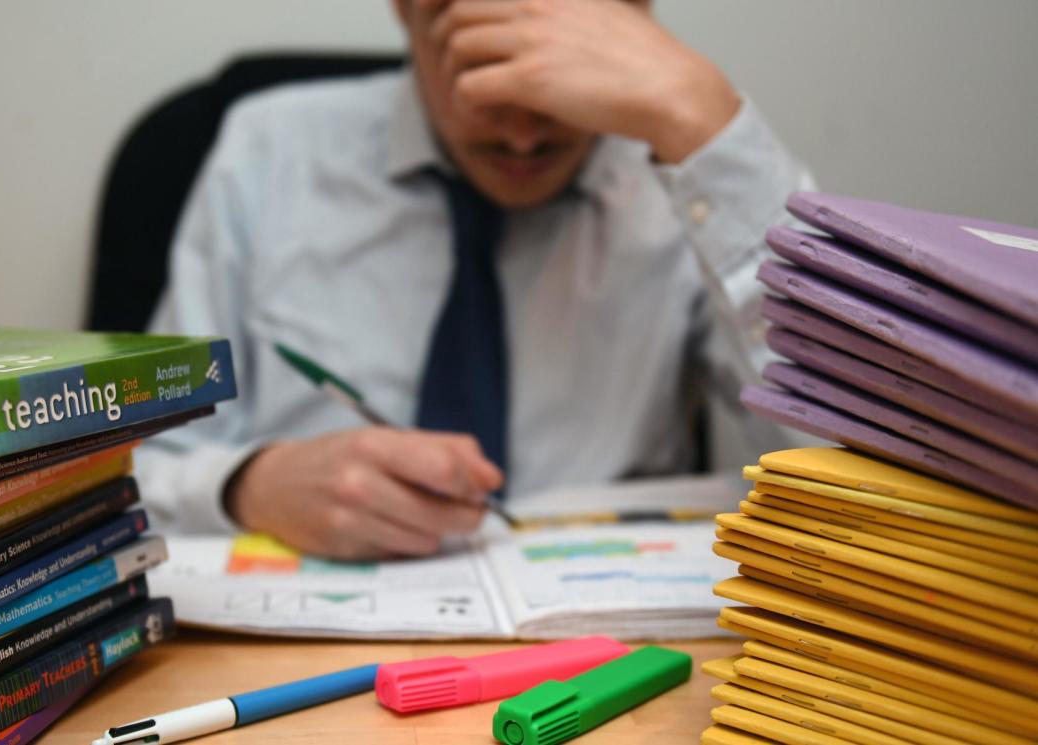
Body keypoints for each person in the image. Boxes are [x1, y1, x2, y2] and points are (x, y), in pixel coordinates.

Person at [136, 0, 812, 559]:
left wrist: (704, 123)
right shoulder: (268, 154)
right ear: (405, 10)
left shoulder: (695, 180)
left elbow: (853, 475)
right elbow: (128, 478)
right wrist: (248, 487)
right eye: (476, 53)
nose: (522, 134)